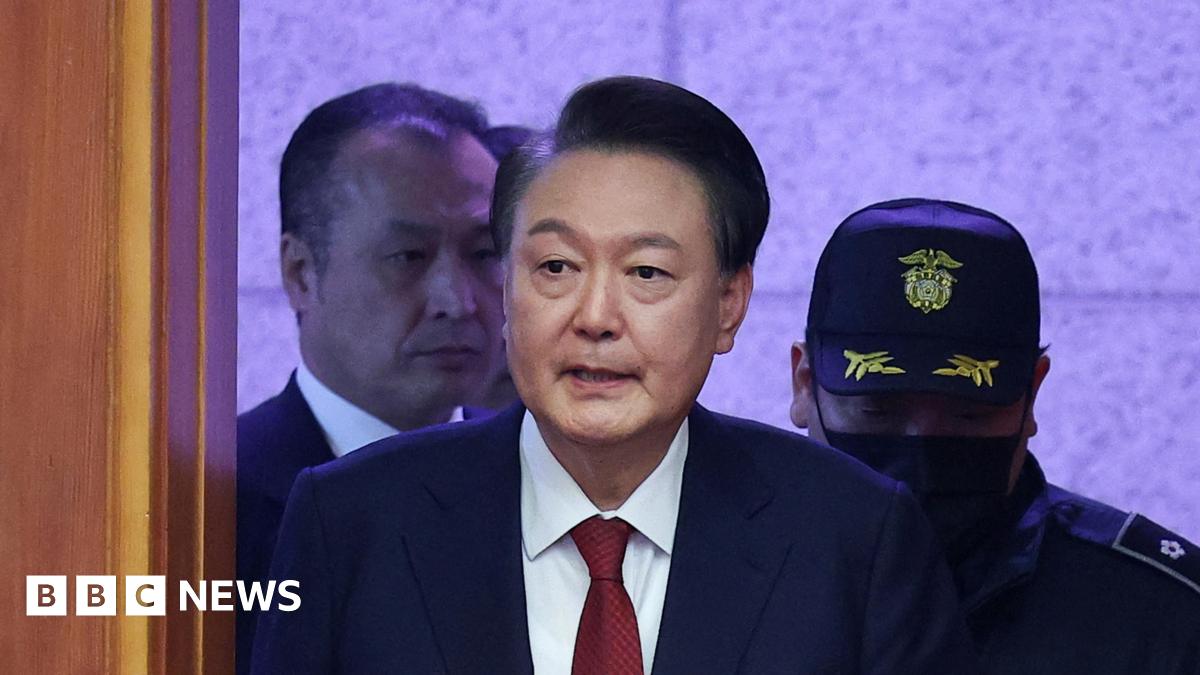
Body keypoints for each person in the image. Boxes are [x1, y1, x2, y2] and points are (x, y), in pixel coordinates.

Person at [251, 77, 980, 674]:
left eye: (647, 272)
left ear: (729, 304)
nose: (595, 316)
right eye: (556, 267)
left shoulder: (852, 537)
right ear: (509, 287)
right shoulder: (351, 520)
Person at [790, 197, 1200, 673]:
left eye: (968, 416)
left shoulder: (1163, 620)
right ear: (803, 385)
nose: (919, 453)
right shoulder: (708, 572)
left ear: (1034, 393)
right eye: (879, 410)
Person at [236, 83, 505, 672]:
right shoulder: (203, 505)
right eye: (408, 257)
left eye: (484, 253)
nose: (457, 301)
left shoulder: (552, 481)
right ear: (301, 273)